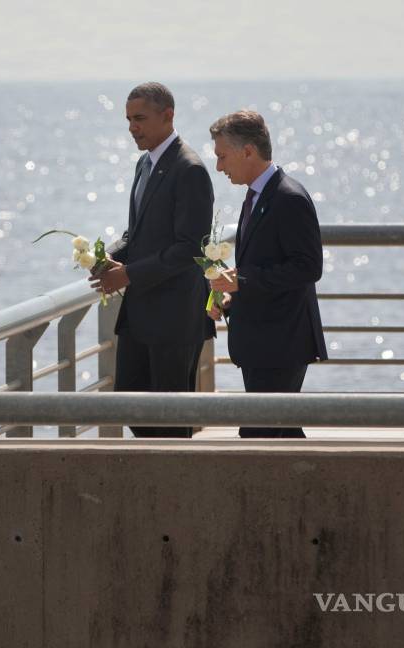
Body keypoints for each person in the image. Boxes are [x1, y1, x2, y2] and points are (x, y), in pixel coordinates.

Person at [90, 82, 215, 438]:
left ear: (168, 115)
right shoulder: (144, 165)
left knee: (170, 422)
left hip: (174, 319)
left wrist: (127, 274)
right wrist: (107, 257)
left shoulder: (189, 169)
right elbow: (138, 234)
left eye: (140, 118)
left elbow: (191, 248)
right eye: (129, 120)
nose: (133, 127)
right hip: (141, 317)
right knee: (132, 407)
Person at [207, 110, 327, 438]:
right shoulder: (257, 195)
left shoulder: (288, 198)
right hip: (264, 341)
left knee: (263, 434)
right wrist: (230, 296)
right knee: (274, 433)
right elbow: (265, 265)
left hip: (282, 341)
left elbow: (308, 267)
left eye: (222, 156)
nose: (219, 167)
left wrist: (241, 279)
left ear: (248, 151)